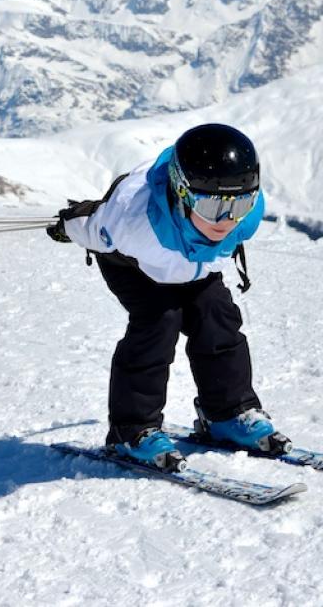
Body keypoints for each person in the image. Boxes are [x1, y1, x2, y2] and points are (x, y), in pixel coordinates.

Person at [46, 123, 290, 471]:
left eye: (240, 204)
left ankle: (228, 414)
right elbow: (93, 224)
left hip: (191, 263)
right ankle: (132, 430)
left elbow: (224, 216)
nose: (226, 221)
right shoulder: (132, 222)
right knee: (159, 322)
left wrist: (223, 212)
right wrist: (67, 225)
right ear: (182, 192)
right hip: (134, 266)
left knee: (216, 316)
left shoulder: (243, 219)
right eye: (211, 207)